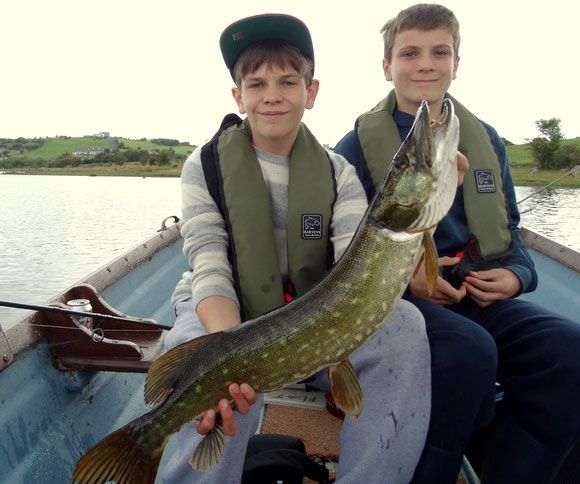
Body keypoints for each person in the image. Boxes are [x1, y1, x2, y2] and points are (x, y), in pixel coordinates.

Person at [335, 4, 580, 483]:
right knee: (468, 353)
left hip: (478, 298)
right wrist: (411, 284)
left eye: (439, 52)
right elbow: (341, 258)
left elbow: (513, 237)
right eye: (410, 53)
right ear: (388, 67)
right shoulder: (352, 148)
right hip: (398, 304)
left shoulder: (486, 139)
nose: (425, 64)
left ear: (456, 64)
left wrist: (516, 276)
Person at [162, 13, 432, 484]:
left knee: (405, 326)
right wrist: (230, 352)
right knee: (193, 351)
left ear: (311, 92)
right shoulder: (202, 166)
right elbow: (208, 265)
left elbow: (356, 262)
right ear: (237, 95)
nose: (272, 94)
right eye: (257, 83)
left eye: (288, 81)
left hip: (312, 313)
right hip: (223, 313)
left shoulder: (337, 173)